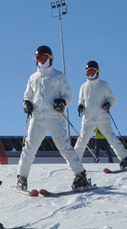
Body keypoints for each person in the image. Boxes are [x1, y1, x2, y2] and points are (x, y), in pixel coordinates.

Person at [17, 46, 90, 192]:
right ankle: (22, 177)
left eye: (44, 57)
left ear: (50, 58)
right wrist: (27, 104)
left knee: (64, 146)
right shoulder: (33, 78)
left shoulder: (58, 76)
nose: (41, 60)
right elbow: (27, 95)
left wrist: (62, 102)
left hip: (55, 117)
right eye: (38, 58)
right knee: (29, 147)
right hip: (38, 117)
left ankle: (80, 174)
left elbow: (68, 95)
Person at [76, 61, 127, 169]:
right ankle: (74, 161)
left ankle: (124, 158)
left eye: (93, 71)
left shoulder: (104, 85)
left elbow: (112, 99)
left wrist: (108, 103)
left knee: (110, 137)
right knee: (82, 140)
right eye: (89, 71)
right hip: (88, 118)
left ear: (97, 71)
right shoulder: (83, 87)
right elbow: (81, 100)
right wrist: (80, 106)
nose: (91, 73)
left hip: (102, 117)